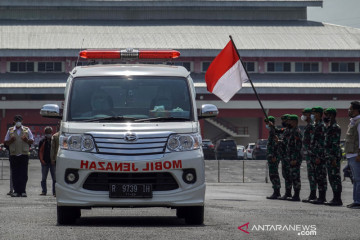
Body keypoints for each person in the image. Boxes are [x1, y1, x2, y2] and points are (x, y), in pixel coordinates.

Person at [4, 115, 34, 197]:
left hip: (23, 154)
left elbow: (32, 140)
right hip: (14, 154)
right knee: (15, 174)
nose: (18, 122)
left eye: (19, 120)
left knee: (23, 174)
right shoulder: (10, 130)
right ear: (14, 121)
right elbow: (6, 142)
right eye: (16, 120)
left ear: (22, 121)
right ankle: (16, 191)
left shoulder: (27, 130)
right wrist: (11, 140)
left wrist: (26, 140)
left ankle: (23, 191)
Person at [322, 108, 342, 206]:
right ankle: (335, 198)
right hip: (329, 156)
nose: (326, 117)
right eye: (325, 115)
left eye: (328, 115)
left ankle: (337, 199)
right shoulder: (329, 127)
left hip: (333, 156)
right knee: (331, 177)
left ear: (333, 115)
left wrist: (333, 158)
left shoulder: (335, 127)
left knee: (335, 177)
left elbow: (335, 143)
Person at [309, 107, 328, 204]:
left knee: (321, 177)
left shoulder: (321, 126)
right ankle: (319, 197)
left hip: (319, 156)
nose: (313, 115)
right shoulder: (315, 125)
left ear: (320, 114)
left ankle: (322, 197)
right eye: (313, 113)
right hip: (314, 155)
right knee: (317, 176)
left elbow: (322, 143)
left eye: (315, 113)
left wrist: (319, 157)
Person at [344, 101, 360, 209]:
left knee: (358, 179)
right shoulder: (353, 122)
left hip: (356, 155)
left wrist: (359, 154)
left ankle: (358, 201)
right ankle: (355, 200)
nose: (349, 111)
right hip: (351, 155)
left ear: (356, 110)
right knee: (355, 179)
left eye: (351, 109)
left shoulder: (359, 122)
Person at [301, 108, 317, 203]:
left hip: (312, 154)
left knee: (314, 175)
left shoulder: (312, 125)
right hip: (309, 154)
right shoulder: (309, 125)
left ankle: (314, 195)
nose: (303, 116)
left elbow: (313, 141)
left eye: (305, 114)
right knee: (311, 175)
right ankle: (312, 194)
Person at [285, 114, 303, 201]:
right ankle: (294, 195)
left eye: (290, 121)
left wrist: (295, 159)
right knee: (292, 176)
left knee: (296, 177)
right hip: (291, 158)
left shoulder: (296, 131)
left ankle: (296, 195)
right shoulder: (292, 131)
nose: (288, 122)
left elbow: (298, 146)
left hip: (294, 159)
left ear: (295, 121)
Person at [265, 116, 281, 199]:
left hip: (274, 157)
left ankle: (277, 192)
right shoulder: (272, 131)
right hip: (271, 156)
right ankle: (276, 191)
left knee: (274, 174)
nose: (266, 125)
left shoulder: (274, 132)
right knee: (272, 174)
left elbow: (275, 145)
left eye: (267, 123)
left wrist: (274, 155)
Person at [277, 114, 293, 200]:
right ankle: (288, 193)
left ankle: (289, 193)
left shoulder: (291, 130)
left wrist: (279, 141)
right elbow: (278, 131)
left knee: (288, 176)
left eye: (285, 120)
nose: (283, 122)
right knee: (285, 175)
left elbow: (287, 143)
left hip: (288, 156)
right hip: (284, 156)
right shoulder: (286, 130)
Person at [38, 126, 56, 196]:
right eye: (47, 132)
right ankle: (44, 191)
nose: (48, 134)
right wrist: (41, 160)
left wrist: (54, 160)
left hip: (53, 162)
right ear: (45, 133)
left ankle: (54, 192)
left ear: (52, 132)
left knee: (54, 178)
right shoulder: (42, 141)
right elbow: (40, 152)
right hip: (44, 162)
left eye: (49, 132)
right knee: (43, 178)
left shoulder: (54, 141)